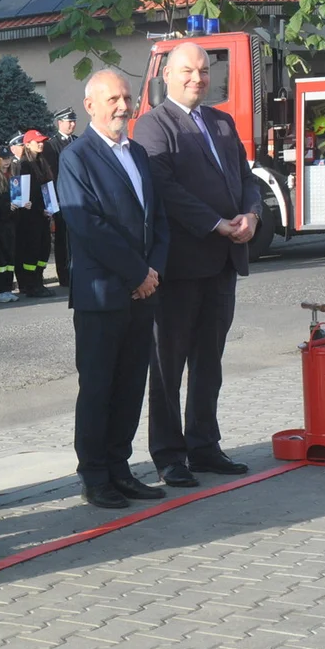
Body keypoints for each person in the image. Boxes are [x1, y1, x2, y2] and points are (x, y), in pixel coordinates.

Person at [133, 42, 262, 487]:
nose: (198, 78)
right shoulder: (153, 126)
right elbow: (164, 189)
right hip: (181, 268)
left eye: (205, 70)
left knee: (210, 362)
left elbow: (246, 179)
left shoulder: (222, 122)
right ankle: (170, 455)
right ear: (166, 75)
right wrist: (215, 224)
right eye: (188, 70)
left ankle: (204, 445)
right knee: (168, 368)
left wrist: (252, 215)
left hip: (222, 264)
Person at [57, 69, 170, 509]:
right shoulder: (77, 157)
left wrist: (153, 271)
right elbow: (88, 225)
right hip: (102, 295)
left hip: (143, 291)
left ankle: (121, 468)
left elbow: (156, 219)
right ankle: (95, 475)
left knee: (130, 386)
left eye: (127, 97)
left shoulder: (138, 153)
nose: (124, 106)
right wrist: (136, 274)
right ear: (90, 106)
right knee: (99, 387)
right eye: (114, 99)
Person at [16, 130, 55, 298]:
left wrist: (51, 208)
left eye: (42, 141)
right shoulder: (25, 165)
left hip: (43, 215)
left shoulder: (42, 162)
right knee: (32, 251)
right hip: (30, 217)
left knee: (43, 249)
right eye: (37, 142)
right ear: (27, 144)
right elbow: (27, 195)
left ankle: (39, 281)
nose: (41, 144)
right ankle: (31, 285)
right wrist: (40, 209)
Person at [45, 107, 78, 288]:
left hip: (77, 197)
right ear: (60, 123)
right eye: (68, 121)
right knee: (63, 238)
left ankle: (76, 269)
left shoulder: (77, 141)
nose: (72, 124)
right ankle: (64, 274)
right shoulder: (51, 145)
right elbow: (52, 173)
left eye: (73, 121)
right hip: (61, 197)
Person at [0, 146, 20, 304]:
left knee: (9, 257)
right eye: (4, 159)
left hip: (10, 222)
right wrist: (7, 206)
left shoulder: (12, 176)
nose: (7, 162)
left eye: (8, 159)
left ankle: (7, 288)